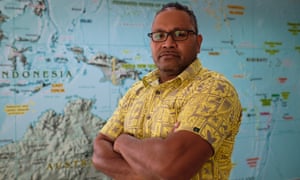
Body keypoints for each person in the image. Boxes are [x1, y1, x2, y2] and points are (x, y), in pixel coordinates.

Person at [92, 2, 242, 180]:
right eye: (159, 35)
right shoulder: (137, 91)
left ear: (198, 43)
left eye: (180, 34)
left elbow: (171, 168)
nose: (168, 43)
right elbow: (100, 151)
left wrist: (122, 141)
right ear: (152, 41)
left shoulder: (215, 90)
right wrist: (151, 168)